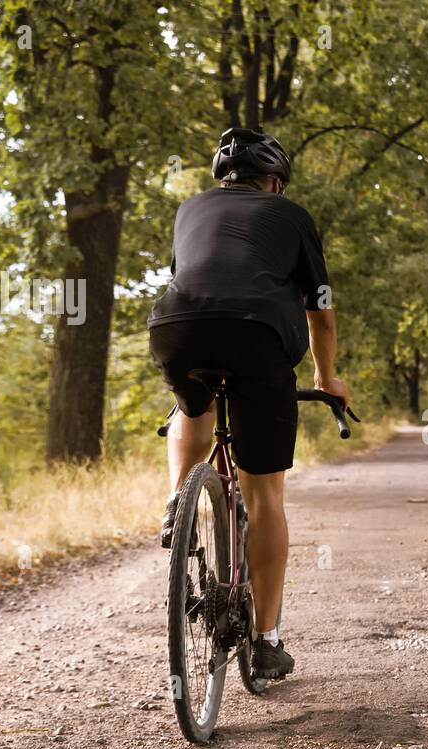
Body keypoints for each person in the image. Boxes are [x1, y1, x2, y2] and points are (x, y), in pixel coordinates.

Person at [147, 127, 349, 680]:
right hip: (258, 340)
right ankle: (265, 640)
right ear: (275, 182)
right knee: (265, 495)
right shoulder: (293, 216)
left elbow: (195, 277)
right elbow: (322, 311)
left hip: (175, 327)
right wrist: (326, 377)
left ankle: (177, 503)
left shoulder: (190, 210)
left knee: (193, 405)